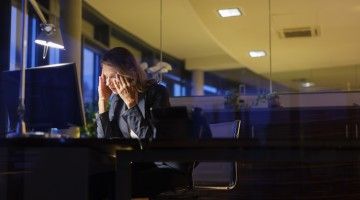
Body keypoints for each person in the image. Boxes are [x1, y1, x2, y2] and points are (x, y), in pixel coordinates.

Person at [94, 47, 190, 199]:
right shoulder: (115, 100)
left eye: (113, 77)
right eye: (105, 77)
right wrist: (102, 101)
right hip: (138, 164)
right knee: (95, 181)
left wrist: (131, 103)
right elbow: (106, 142)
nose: (108, 83)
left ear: (131, 71)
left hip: (163, 165)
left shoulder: (157, 93)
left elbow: (152, 143)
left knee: (113, 184)